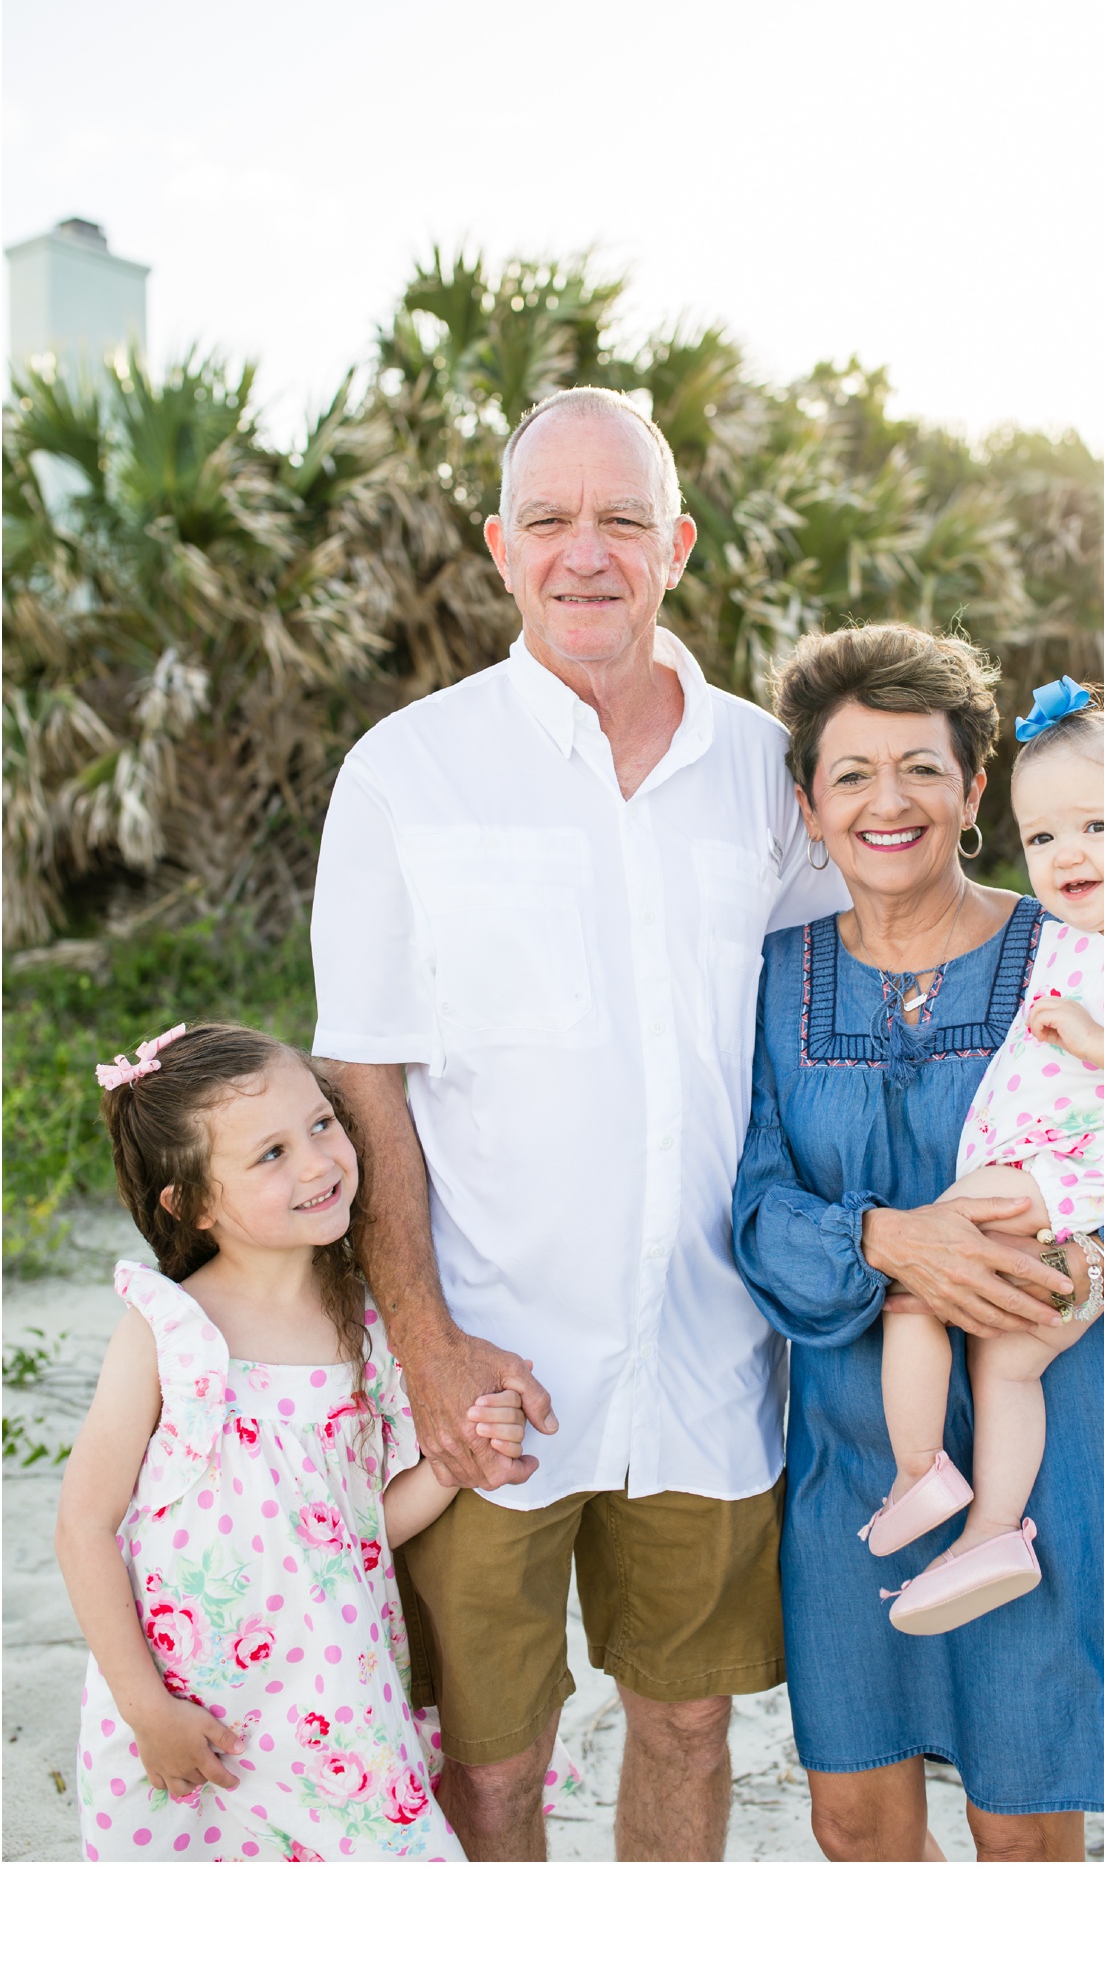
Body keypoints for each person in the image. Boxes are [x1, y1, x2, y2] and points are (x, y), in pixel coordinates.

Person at [309, 387, 844, 1861]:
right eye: (549, 520)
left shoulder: (764, 770)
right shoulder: (407, 774)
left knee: (686, 1725)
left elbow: (823, 1032)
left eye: (619, 519)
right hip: (494, 1368)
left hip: (711, 1361)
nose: (584, 553)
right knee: (489, 1767)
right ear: (499, 548)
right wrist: (424, 1347)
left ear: (675, 543)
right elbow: (366, 1078)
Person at [731, 623, 1104, 1861]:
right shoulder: (767, 977)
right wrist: (887, 1239)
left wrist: (1092, 1259)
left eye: (922, 766)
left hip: (1057, 1454)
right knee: (857, 1825)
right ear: (809, 806)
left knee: (1025, 1831)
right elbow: (756, 1208)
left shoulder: (1085, 949)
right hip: (856, 1465)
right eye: (851, 772)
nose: (889, 800)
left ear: (974, 789)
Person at [56, 1021, 561, 1863]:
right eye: (270, 1155)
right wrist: (146, 1709)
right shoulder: (169, 1330)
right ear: (192, 1204)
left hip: (333, 1707)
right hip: (192, 1716)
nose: (318, 1163)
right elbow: (82, 1528)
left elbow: (359, 1527)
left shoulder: (364, 1325)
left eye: (321, 1124)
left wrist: (459, 1455)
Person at [866, 679, 1104, 1635]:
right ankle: (993, 1527)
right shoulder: (1070, 940)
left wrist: (1094, 1041)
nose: (1063, 853)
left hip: (1057, 1179)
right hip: (1045, 1177)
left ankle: (923, 1473)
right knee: (1004, 1362)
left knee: (912, 1286)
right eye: (1040, 837)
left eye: (1093, 826)